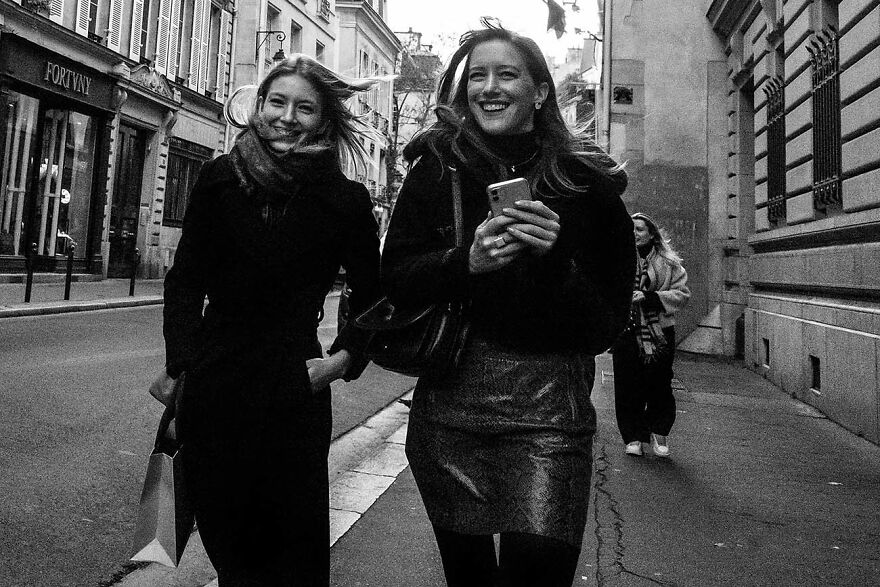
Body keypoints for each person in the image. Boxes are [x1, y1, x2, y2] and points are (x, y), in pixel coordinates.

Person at [380, 22, 634, 587]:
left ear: (540, 92)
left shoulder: (586, 183)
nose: (489, 88)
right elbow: (394, 279)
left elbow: (604, 324)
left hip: (549, 414)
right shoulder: (436, 168)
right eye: (477, 76)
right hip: (450, 409)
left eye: (507, 74)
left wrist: (552, 257)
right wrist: (463, 262)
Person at [148, 54, 381, 585]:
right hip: (216, 380)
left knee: (293, 550)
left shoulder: (343, 198)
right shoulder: (218, 179)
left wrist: (342, 360)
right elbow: (185, 280)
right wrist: (180, 362)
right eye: (277, 102)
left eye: (304, 107)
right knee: (227, 540)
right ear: (259, 106)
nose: (287, 116)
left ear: (323, 119)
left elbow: (374, 291)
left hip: (293, 387)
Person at [612, 212, 690, 458]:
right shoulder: (619, 258)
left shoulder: (669, 262)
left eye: (640, 229)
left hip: (660, 331)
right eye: (632, 229)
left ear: (651, 234)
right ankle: (633, 436)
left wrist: (651, 298)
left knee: (659, 382)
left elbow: (682, 294)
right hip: (627, 329)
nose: (635, 234)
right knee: (627, 383)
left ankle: (659, 431)